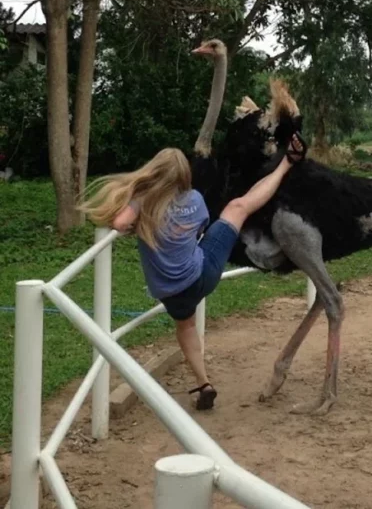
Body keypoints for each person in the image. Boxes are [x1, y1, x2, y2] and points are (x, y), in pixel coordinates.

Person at [79, 133, 306, 410]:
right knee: (238, 207)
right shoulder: (195, 199)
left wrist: (139, 203)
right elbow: (202, 228)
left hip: (172, 295)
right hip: (203, 277)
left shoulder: (145, 204)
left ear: (153, 173)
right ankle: (286, 165)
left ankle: (204, 383)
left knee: (184, 326)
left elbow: (118, 223)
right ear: (184, 175)